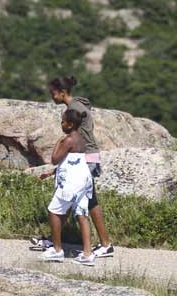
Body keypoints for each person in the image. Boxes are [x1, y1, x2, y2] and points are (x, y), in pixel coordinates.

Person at [35, 76, 113, 258]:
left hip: (86, 157)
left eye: (53, 94)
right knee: (89, 200)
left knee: (73, 199)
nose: (52, 97)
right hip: (88, 156)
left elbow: (80, 136)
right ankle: (101, 243)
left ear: (62, 93)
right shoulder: (78, 104)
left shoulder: (74, 109)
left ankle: (56, 243)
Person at [39, 109, 95, 266]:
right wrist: (51, 173)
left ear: (70, 125)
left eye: (63, 122)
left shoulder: (68, 140)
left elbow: (55, 159)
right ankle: (87, 254)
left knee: (54, 211)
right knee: (82, 215)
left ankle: (57, 250)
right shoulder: (82, 139)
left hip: (70, 184)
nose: (61, 124)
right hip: (83, 181)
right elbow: (73, 162)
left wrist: (58, 142)